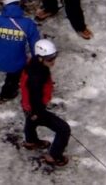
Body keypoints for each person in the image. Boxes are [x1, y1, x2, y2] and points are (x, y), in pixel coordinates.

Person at [21, 39, 71, 167]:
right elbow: (36, 97)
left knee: (31, 121)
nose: (53, 61)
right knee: (63, 129)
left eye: (54, 57)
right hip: (36, 107)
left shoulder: (34, 64)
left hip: (28, 105)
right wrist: (37, 112)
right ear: (40, 58)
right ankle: (54, 156)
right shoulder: (37, 76)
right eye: (49, 59)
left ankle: (31, 141)